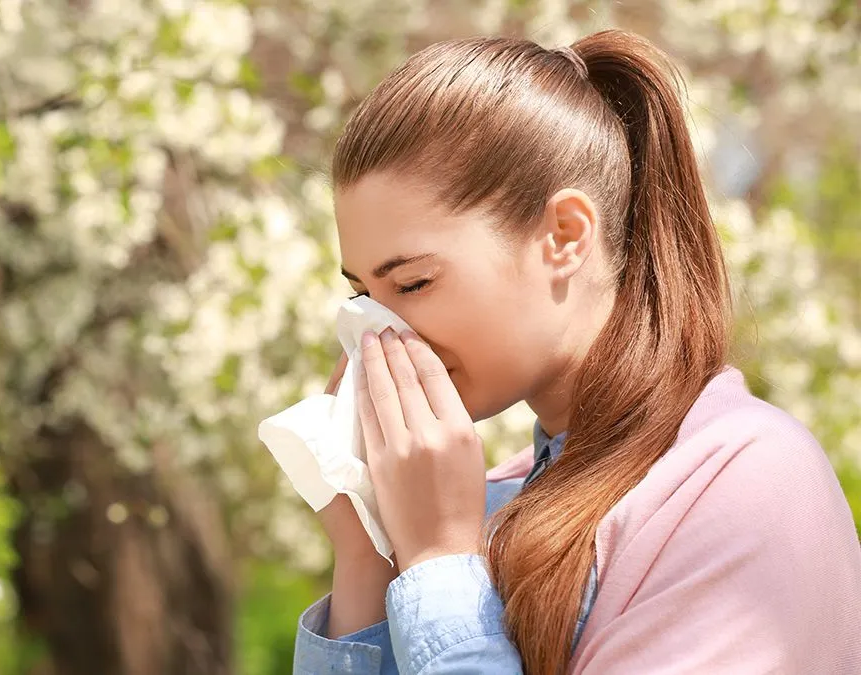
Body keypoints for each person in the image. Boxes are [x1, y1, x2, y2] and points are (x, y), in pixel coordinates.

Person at [291, 29, 861, 675]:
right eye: (362, 293)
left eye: (414, 283)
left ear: (564, 235)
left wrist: (438, 562)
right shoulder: (490, 502)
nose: (377, 328)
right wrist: (368, 551)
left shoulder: (740, 482)